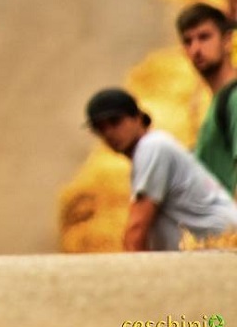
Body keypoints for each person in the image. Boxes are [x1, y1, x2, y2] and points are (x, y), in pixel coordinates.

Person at [85, 88, 237, 250]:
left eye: (115, 122)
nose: (109, 132)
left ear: (138, 117)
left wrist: (131, 272)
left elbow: (136, 228)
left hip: (224, 248)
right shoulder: (153, 147)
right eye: (100, 128)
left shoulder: (152, 146)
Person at [175, 2, 237, 194]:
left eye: (204, 37)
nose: (196, 49)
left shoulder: (234, 99)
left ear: (226, 40)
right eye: (188, 41)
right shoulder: (218, 103)